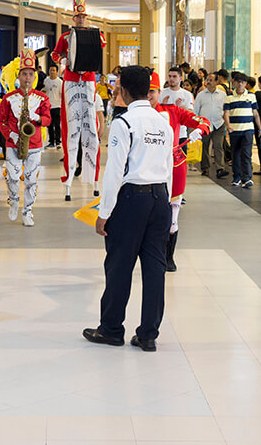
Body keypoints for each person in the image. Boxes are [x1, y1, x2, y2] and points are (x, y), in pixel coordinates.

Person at [82, 65, 174, 351]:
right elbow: (168, 166)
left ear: (122, 90)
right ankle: (148, 334)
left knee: (120, 264)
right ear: (149, 89)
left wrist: (104, 213)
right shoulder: (163, 123)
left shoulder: (125, 123)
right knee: (155, 267)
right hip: (160, 197)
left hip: (133, 199)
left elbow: (114, 172)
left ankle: (111, 329)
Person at [152, 76, 210, 272]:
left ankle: (169, 257)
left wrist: (199, 130)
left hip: (175, 166)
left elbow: (202, 121)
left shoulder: (173, 111)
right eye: (147, 91)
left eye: (153, 91)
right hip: (149, 167)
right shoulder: (137, 114)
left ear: (160, 93)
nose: (150, 96)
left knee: (173, 212)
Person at [51, 0, 106, 200]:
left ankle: (94, 177)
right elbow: (55, 55)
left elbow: (101, 46)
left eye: (83, 16)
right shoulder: (66, 36)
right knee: (71, 127)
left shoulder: (96, 34)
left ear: (86, 17)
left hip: (89, 80)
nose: (80, 19)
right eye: (77, 16)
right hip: (71, 80)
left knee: (90, 128)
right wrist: (63, 59)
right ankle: (69, 176)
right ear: (73, 17)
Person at [0, 49, 52, 227]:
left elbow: (48, 120)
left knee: (31, 180)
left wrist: (37, 118)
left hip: (34, 144)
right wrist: (10, 134)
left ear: (34, 76)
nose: (27, 78)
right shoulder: (8, 98)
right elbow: (0, 120)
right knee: (12, 177)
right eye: (24, 74)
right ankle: (13, 200)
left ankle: (28, 211)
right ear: (18, 76)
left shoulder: (42, 98)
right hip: (13, 143)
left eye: (30, 74)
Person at [224, 72, 261, 188]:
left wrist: (260, 129)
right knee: (235, 154)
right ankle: (237, 177)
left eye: (243, 82)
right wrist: (228, 126)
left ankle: (246, 178)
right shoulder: (229, 98)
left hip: (248, 130)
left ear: (246, 84)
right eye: (238, 82)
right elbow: (226, 113)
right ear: (234, 83)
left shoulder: (251, 96)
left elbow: (256, 114)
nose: (241, 84)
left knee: (246, 154)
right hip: (234, 130)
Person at [194, 72, 228, 178]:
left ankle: (220, 168)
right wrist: (196, 124)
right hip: (205, 125)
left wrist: (226, 122)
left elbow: (226, 109)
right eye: (207, 80)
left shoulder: (222, 95)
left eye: (211, 80)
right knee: (204, 147)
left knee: (218, 146)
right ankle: (205, 168)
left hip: (219, 124)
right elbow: (196, 110)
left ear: (217, 82)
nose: (208, 82)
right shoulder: (201, 95)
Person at [160, 67, 195, 152]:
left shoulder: (187, 94)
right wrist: (163, 105)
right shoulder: (162, 93)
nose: (171, 79)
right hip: (164, 134)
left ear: (180, 78)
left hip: (180, 134)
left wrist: (181, 106)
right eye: (170, 76)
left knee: (180, 162)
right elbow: (156, 111)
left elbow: (190, 114)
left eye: (174, 76)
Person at [44, 64, 63, 148]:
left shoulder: (60, 82)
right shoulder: (46, 81)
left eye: (53, 70)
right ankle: (51, 141)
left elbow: (61, 95)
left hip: (57, 106)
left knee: (57, 124)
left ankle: (58, 141)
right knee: (50, 125)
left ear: (57, 72)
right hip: (48, 107)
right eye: (50, 70)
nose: (52, 72)